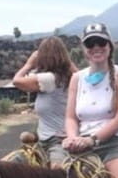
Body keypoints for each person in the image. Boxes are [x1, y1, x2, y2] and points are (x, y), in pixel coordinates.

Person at [62, 23, 118, 178]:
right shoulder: (77, 78)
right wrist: (72, 138)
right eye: (90, 44)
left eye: (101, 42)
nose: (96, 47)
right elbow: (71, 117)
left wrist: (92, 140)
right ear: (84, 49)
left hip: (117, 145)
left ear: (110, 47)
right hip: (82, 147)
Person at [12, 36, 78, 166]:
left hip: (56, 141)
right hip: (45, 138)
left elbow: (17, 81)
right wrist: (67, 62)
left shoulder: (49, 79)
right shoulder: (65, 77)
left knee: (55, 176)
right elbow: (79, 74)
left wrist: (29, 64)